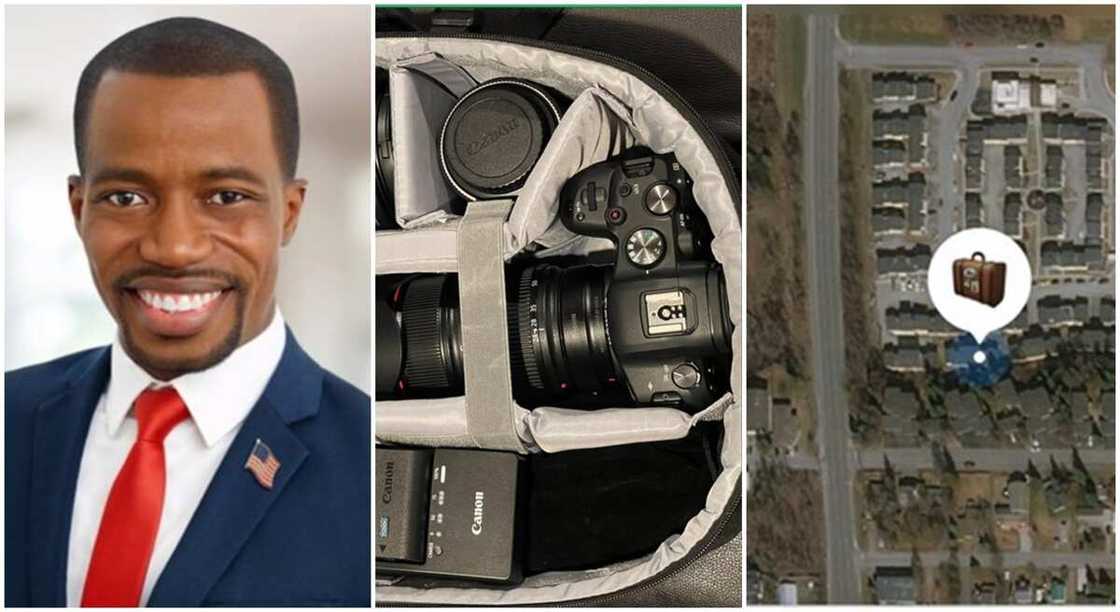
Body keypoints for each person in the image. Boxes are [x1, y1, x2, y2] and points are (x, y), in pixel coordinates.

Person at [5, 17, 370, 607]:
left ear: (289, 212)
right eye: (126, 197)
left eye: (227, 197)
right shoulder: (9, 417)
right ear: (79, 210)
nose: (174, 247)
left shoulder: (370, 463)